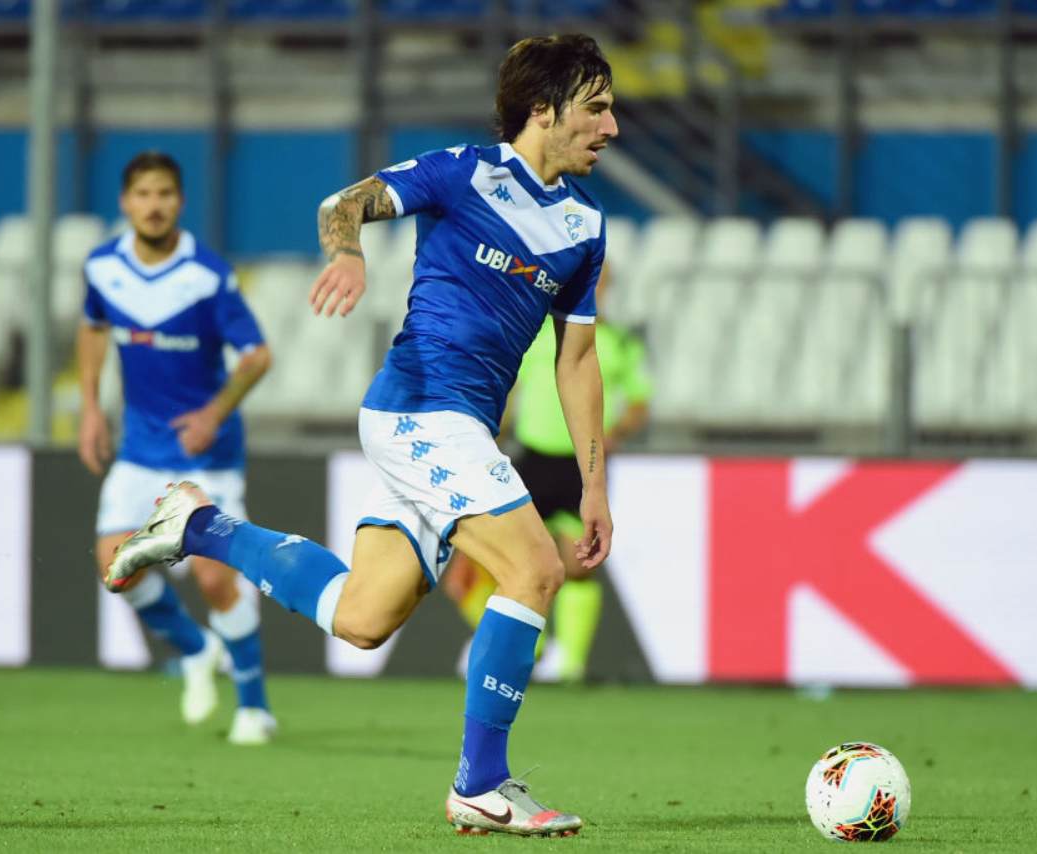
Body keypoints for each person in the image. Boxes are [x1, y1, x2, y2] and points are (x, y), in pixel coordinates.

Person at [105, 34, 618, 836]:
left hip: (459, 432)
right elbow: (339, 204)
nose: (612, 127)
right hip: (419, 410)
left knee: (362, 618)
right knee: (534, 570)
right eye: (597, 108)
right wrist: (348, 256)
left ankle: (199, 526)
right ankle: (481, 783)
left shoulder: (585, 224)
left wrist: (594, 485)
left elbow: (578, 361)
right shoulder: (463, 172)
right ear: (543, 113)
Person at [77, 151, 277, 745]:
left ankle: (254, 707)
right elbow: (91, 329)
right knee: (116, 565)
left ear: (180, 202)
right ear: (125, 202)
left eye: (164, 194)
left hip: (206, 454)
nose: (154, 205)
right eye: (143, 194)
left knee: (216, 581)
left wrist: (215, 413)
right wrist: (90, 407)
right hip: (140, 447)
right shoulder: (102, 266)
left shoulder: (207, 274)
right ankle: (194, 650)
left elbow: (257, 354)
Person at [443, 261, 651, 683]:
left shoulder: (619, 343)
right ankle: (531, 645)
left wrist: (616, 431)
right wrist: (483, 439)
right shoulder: (535, 336)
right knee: (471, 572)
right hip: (530, 461)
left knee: (577, 565)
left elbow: (640, 403)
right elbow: (510, 395)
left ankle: (571, 665)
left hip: (580, 467)